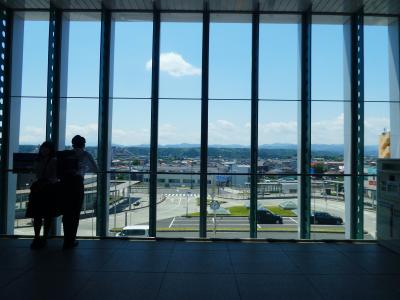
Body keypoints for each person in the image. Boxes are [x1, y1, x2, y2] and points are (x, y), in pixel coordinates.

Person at [61, 135, 98, 249]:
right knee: (75, 212)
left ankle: (66, 239)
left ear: (72, 144)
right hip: (77, 184)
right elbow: (95, 169)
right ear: (84, 144)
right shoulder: (86, 155)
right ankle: (71, 240)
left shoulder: (66, 154)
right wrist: (83, 169)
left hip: (65, 184)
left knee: (66, 213)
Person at [26, 141, 58, 249]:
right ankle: (43, 238)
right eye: (43, 148)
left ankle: (37, 238)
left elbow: (35, 173)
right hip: (47, 190)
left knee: (38, 215)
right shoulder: (53, 160)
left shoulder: (39, 160)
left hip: (39, 189)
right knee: (46, 215)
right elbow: (55, 176)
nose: (44, 150)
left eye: (46, 148)